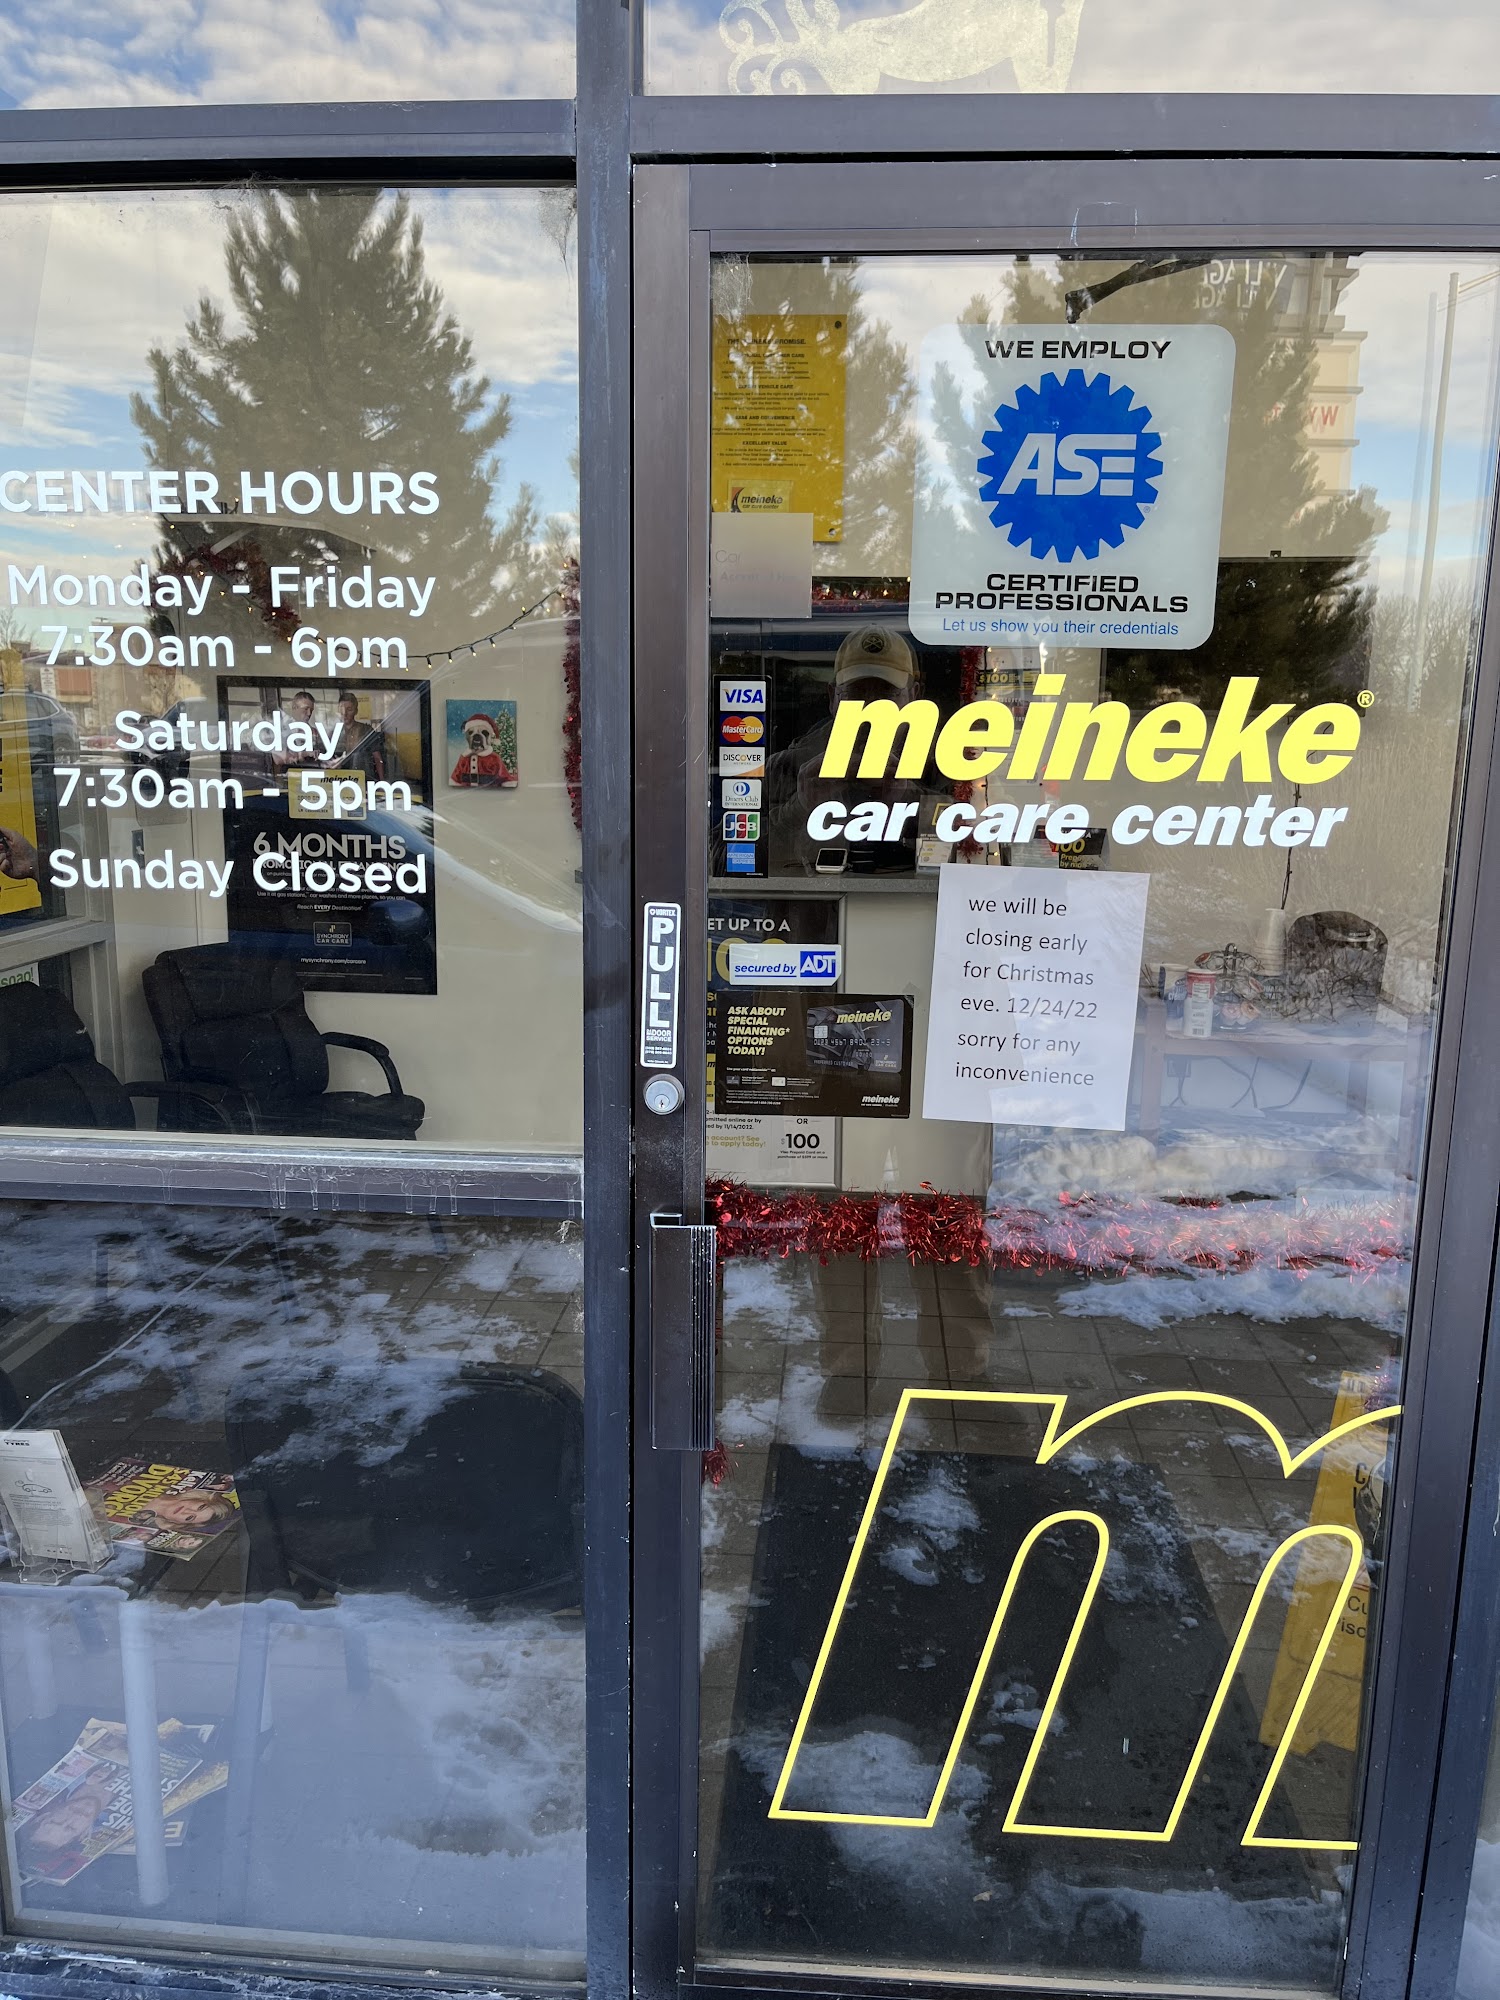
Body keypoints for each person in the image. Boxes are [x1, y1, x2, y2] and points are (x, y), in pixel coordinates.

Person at [766, 624, 925, 874]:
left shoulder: (939, 765)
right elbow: (723, 859)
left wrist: (907, 799)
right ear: (833, 697)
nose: (871, 708)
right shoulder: (785, 768)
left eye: (887, 694)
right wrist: (798, 808)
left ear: (913, 696)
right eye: (855, 693)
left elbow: (967, 848)